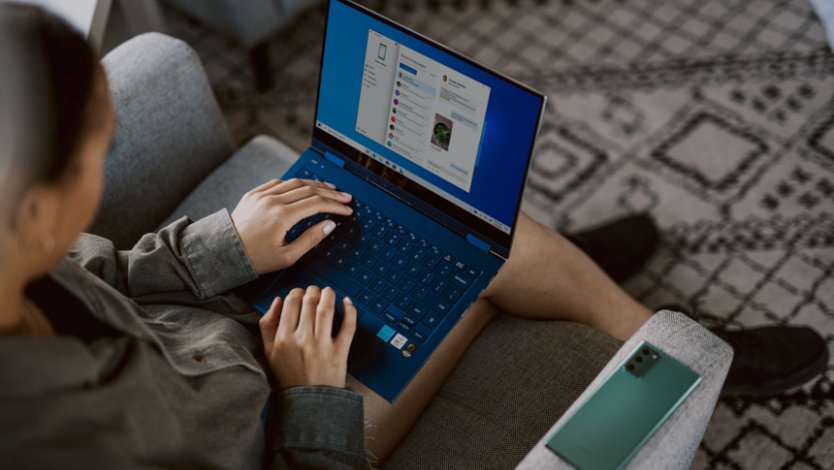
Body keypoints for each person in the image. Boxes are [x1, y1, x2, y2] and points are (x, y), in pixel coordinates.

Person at [0, 5, 827, 469]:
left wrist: (228, 246)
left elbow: (108, 270)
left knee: (430, 223)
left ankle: (580, 293)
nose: (104, 162)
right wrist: (308, 395)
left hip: (232, 326)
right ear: (37, 209)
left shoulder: (20, 257)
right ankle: (660, 345)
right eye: (93, 151)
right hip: (288, 429)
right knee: (461, 251)